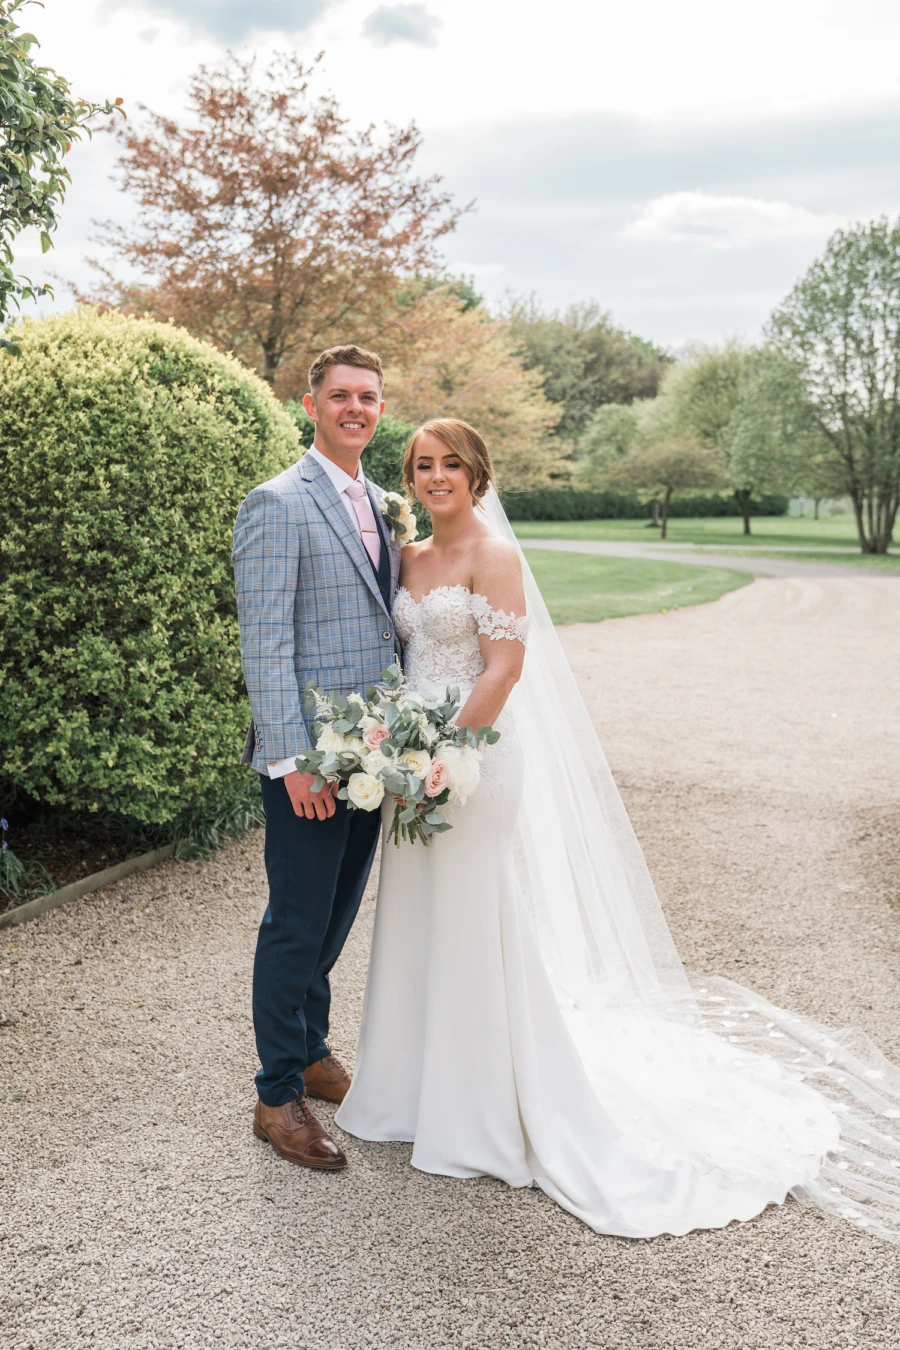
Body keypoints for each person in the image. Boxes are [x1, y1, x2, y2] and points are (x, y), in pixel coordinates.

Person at [335, 417, 900, 1241]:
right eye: (422, 464)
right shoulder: (410, 556)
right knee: (417, 914)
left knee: (472, 914)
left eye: (450, 463)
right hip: (413, 766)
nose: (435, 476)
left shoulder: (495, 557)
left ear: (477, 473)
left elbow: (504, 667)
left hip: (475, 761)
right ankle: (408, 1091)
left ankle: (481, 1107)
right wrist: (395, 749)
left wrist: (444, 753)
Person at [233, 344, 401, 1171]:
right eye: (340, 396)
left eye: (368, 397)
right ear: (311, 406)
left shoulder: (381, 501)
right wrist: (291, 760)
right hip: (308, 759)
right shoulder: (276, 503)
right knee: (296, 923)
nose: (356, 409)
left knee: (337, 915)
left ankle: (310, 1047)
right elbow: (264, 640)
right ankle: (275, 1096)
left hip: (370, 758)